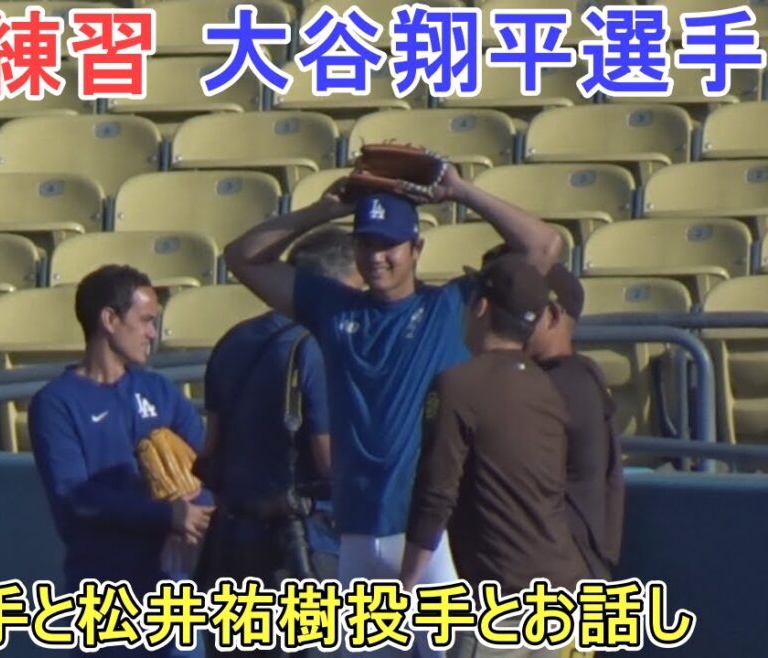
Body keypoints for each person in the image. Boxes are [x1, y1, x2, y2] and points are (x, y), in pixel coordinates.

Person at [224, 166, 564, 657]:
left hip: (430, 534)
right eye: (365, 243)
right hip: (356, 530)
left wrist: (460, 190)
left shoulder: (449, 307)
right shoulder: (334, 307)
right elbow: (243, 257)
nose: (376, 256)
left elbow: (545, 246)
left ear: (416, 249)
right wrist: (325, 210)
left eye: (389, 245)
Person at [401, 254, 591, 658]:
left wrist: (407, 582)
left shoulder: (457, 384)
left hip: (504, 605)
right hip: (567, 595)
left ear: (481, 308)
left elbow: (435, 493)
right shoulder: (545, 387)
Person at [28, 264, 214, 656]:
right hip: (104, 591)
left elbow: (210, 466)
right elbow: (72, 495)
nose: (153, 334)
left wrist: (195, 514)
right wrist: (167, 516)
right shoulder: (56, 403)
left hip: (172, 586)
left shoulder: (158, 389)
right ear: (110, 319)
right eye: (145, 321)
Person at [194, 228, 361, 657]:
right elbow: (329, 462)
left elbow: (209, 450)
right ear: (334, 287)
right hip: (300, 550)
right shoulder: (321, 345)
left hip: (232, 547)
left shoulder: (233, 340)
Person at [523, 262, 625, 580]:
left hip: (563, 573)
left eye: (518, 309)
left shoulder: (562, 383)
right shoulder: (577, 373)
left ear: (553, 315)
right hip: (568, 567)